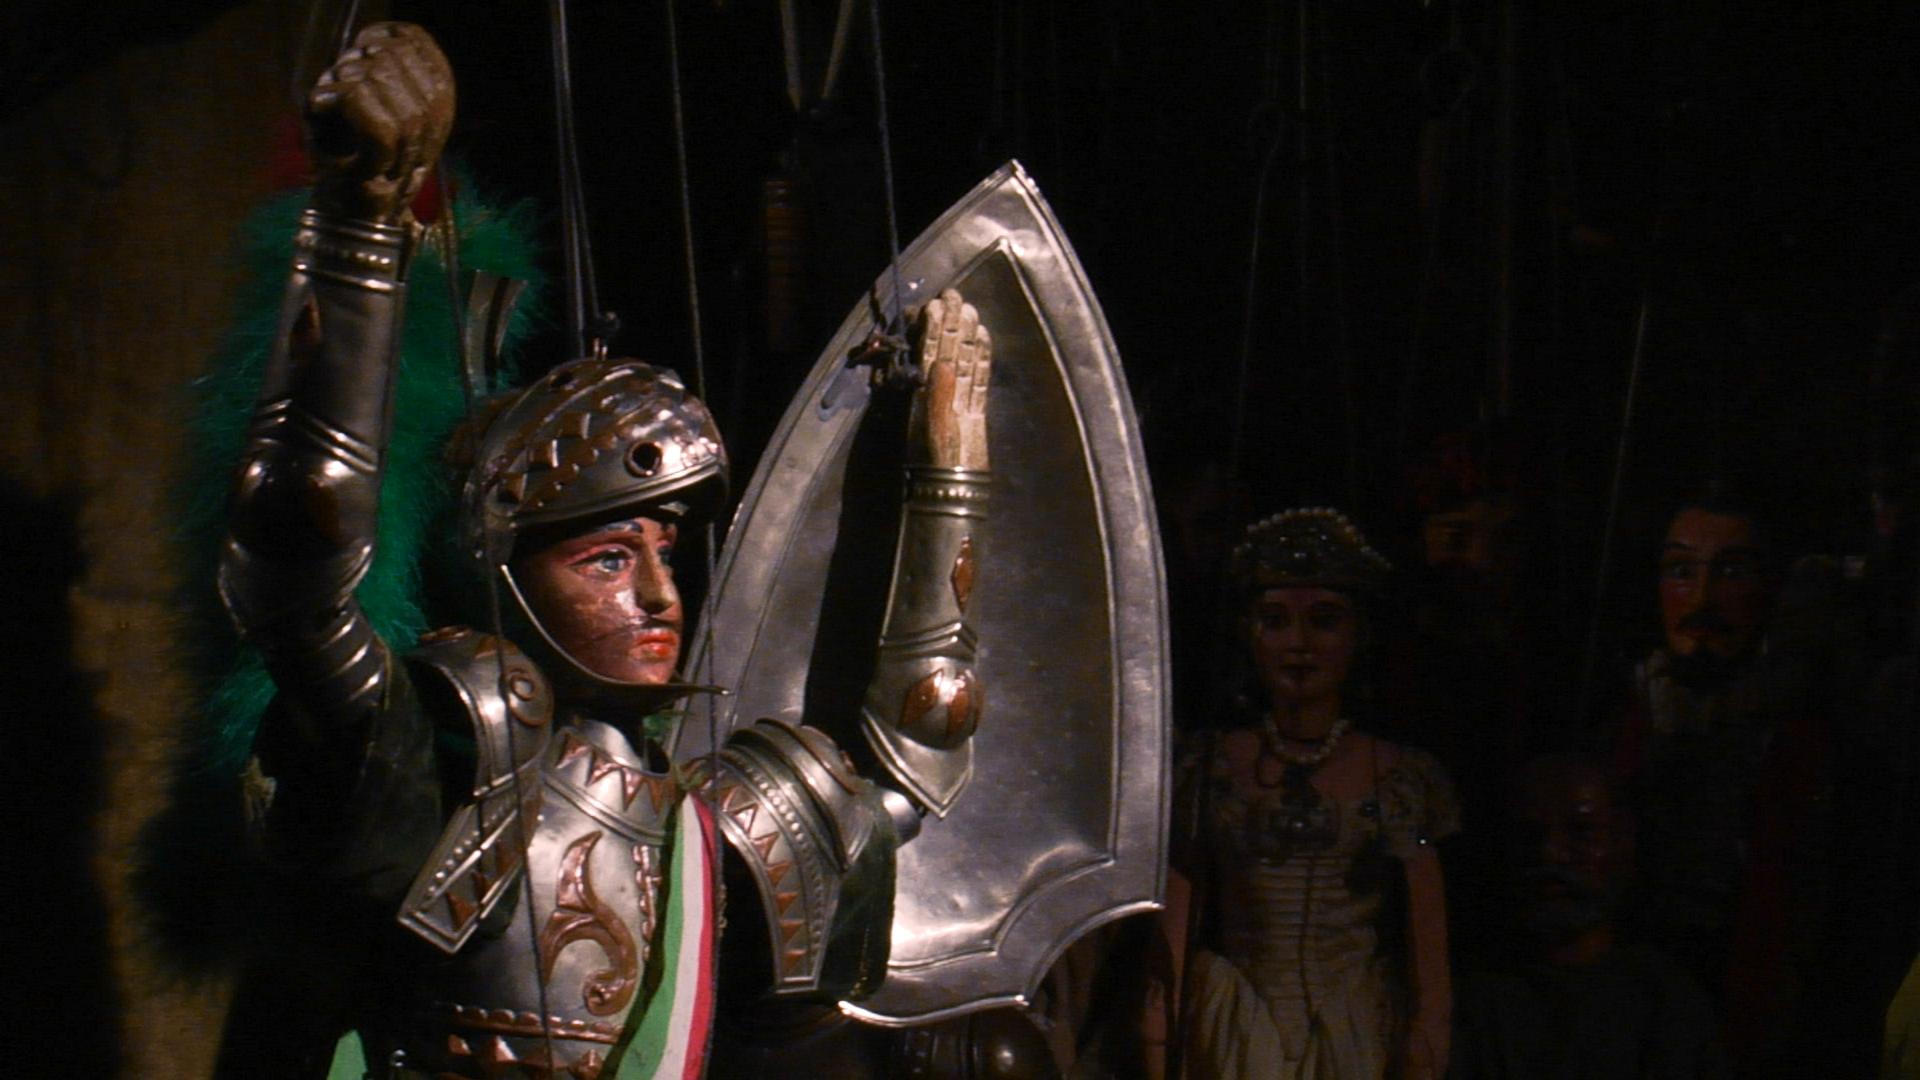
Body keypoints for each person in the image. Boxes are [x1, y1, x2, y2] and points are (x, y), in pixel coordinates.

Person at [211, 24, 995, 1077]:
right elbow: (299, 587)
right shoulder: (462, 748)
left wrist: (948, 481)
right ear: (503, 567)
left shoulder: (722, 821)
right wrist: (360, 227)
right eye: (610, 560)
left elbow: (913, 758)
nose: (662, 594)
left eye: (667, 551)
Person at [1151, 508, 1457, 1080]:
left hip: (1355, 1033)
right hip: (1236, 1029)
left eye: (1323, 621)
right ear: (1249, 635)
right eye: (1275, 622)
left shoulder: (1398, 776)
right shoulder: (1211, 766)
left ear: (1358, 635)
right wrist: (1157, 1029)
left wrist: (1429, 1029)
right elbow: (1178, 914)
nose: (1299, 645)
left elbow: (1427, 942)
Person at [1450, 754, 1723, 1079]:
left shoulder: (1667, 1004)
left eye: (1582, 833)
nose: (1550, 853)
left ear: (1622, 842)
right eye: (1530, 834)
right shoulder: (1473, 998)